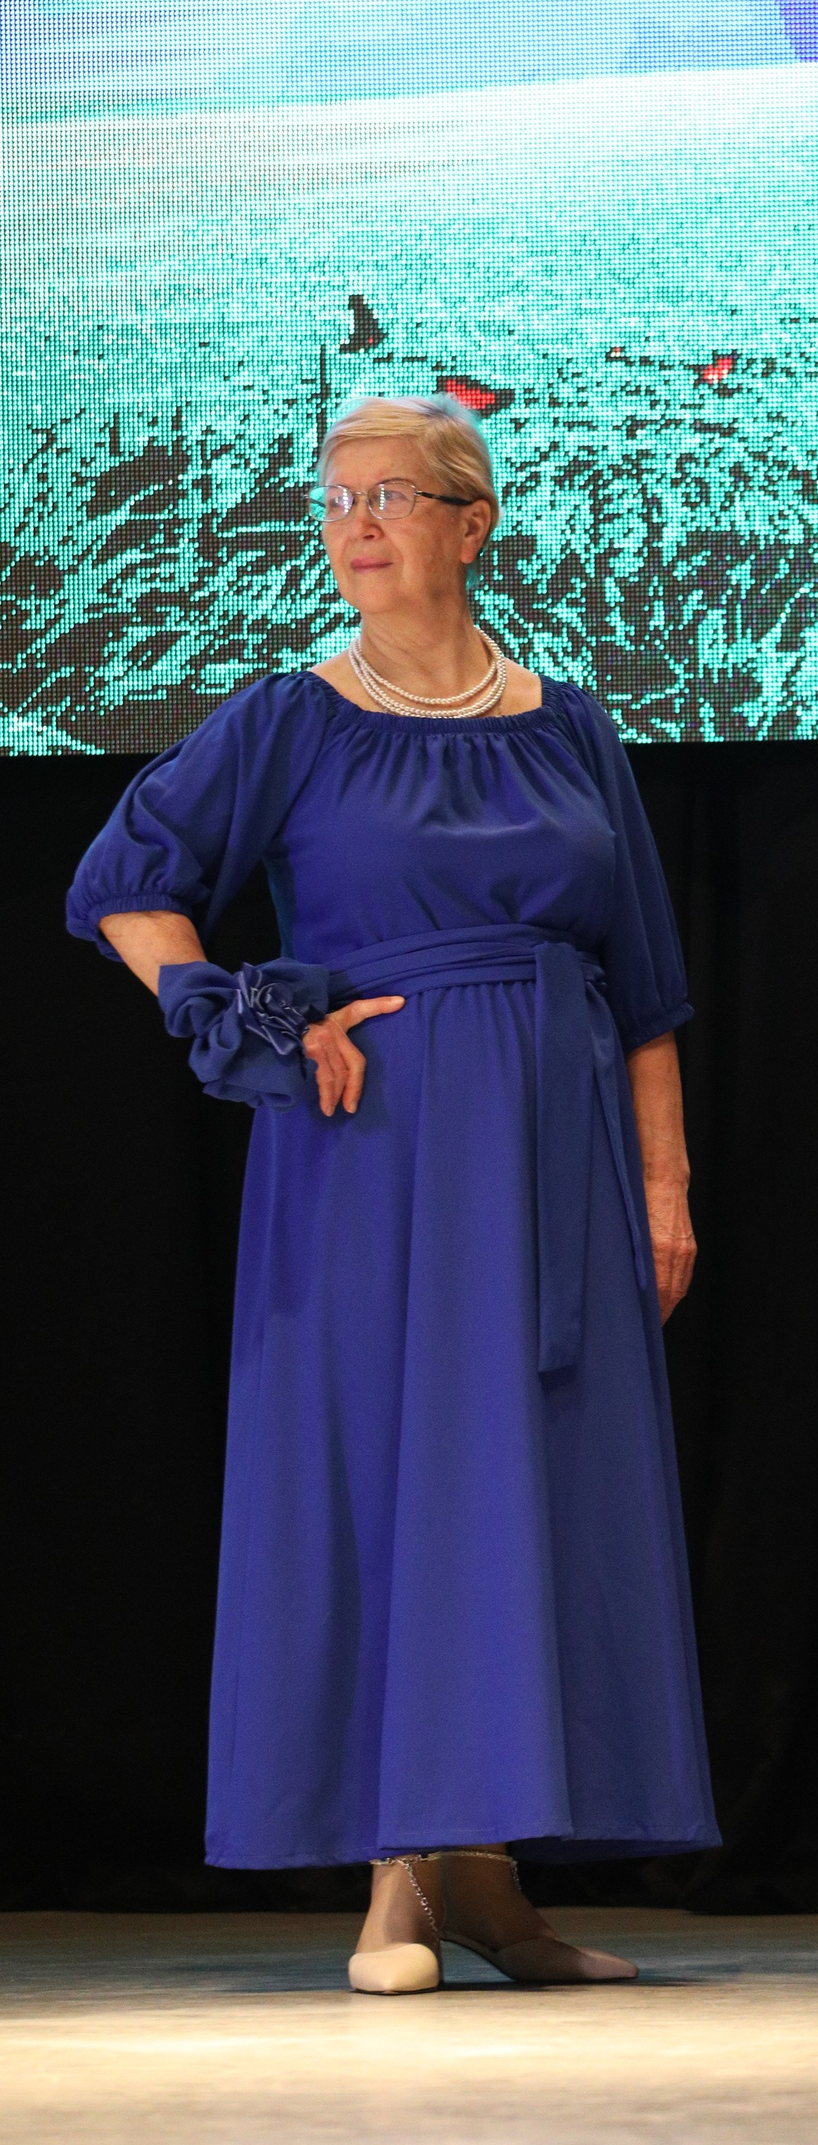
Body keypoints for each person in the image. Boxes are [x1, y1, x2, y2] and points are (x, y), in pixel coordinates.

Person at [67, 396, 716, 1993]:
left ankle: (488, 1881)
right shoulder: (290, 719)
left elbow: (644, 983)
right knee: (402, 1476)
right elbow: (124, 883)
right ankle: (399, 1874)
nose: (355, 524)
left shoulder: (569, 724)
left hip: (557, 1151)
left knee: (533, 1486)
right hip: (376, 1157)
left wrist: (664, 1184)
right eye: (338, 498)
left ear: (471, 523)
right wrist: (237, 1009)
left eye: (393, 496)